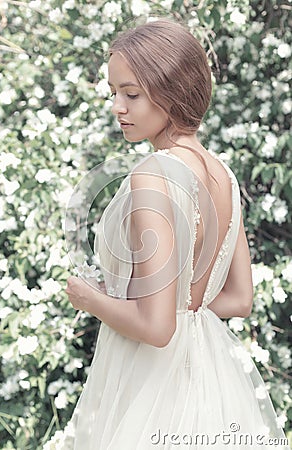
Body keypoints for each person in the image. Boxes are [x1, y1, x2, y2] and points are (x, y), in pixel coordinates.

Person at [49, 19, 289, 449]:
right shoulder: (224, 176)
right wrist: (180, 303)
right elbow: (239, 299)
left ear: (172, 91)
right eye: (113, 93)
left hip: (153, 383)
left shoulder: (154, 175)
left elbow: (158, 328)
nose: (117, 107)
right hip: (210, 381)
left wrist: (90, 297)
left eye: (131, 94)